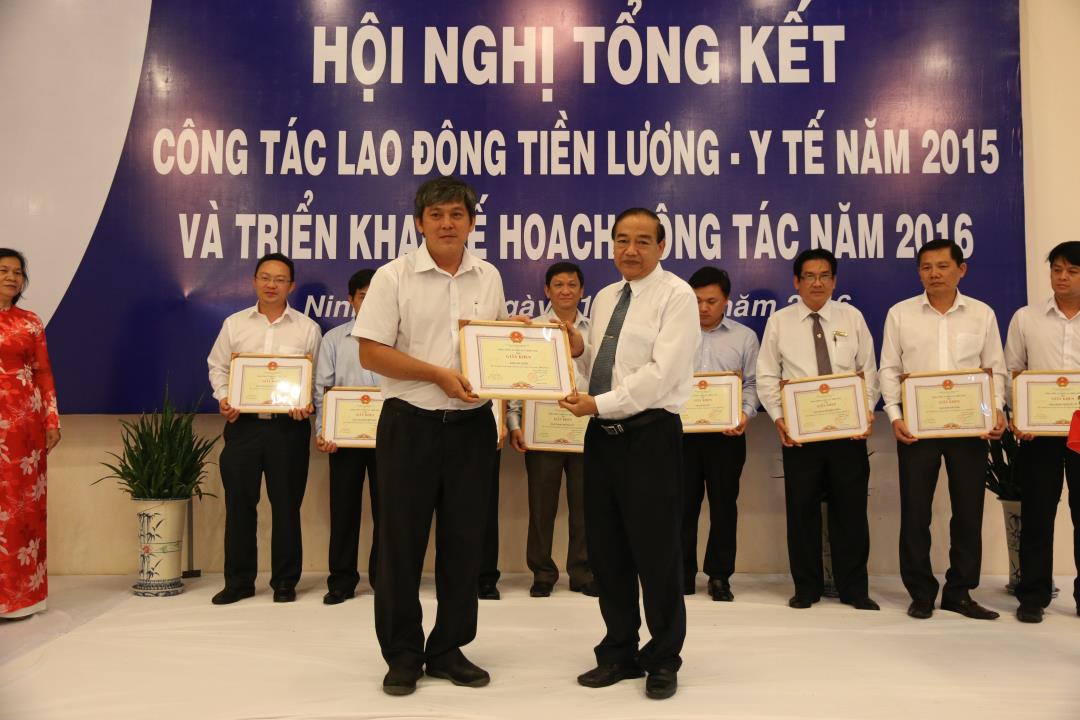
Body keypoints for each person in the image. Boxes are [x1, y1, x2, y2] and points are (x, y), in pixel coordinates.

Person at [354, 176, 528, 696]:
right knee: (399, 544)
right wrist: (436, 375)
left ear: (471, 222)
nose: (447, 223)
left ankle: (449, 647)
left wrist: (518, 342)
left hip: (472, 428)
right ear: (420, 223)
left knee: (465, 543)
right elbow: (371, 352)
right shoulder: (393, 277)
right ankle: (403, 653)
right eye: (436, 215)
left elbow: (492, 348)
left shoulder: (488, 276)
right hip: (410, 424)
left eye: (456, 214)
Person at [560, 208, 698, 700]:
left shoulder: (677, 296)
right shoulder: (604, 297)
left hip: (650, 436)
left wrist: (597, 404)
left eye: (642, 241)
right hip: (602, 438)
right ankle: (619, 650)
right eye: (621, 240)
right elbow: (603, 366)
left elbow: (661, 375)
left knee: (657, 553)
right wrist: (577, 351)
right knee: (608, 552)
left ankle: (663, 657)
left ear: (661, 247)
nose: (630, 250)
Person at [880, 239, 1007, 621]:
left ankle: (960, 592)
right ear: (919, 272)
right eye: (926, 267)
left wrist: (991, 413)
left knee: (968, 511)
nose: (934, 273)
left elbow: (994, 370)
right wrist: (896, 416)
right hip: (916, 429)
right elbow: (889, 369)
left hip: (969, 430)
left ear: (961, 269)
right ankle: (920, 593)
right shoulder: (900, 314)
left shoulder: (981, 314)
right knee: (915, 512)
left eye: (942, 266)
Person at [757, 248, 881, 612]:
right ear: (796, 282)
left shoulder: (851, 317)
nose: (817, 283)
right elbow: (767, 375)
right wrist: (779, 418)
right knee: (801, 511)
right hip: (800, 434)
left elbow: (868, 370)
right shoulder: (780, 322)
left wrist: (865, 412)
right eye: (809, 276)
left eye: (824, 275)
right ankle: (805, 588)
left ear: (834, 281)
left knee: (851, 511)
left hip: (848, 434)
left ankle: (854, 588)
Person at [207, 252, 320, 605]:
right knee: (240, 505)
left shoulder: (307, 329)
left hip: (289, 429)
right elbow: (217, 367)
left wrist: (307, 402)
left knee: (287, 506)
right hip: (243, 427)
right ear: (254, 281)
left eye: (280, 279)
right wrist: (225, 397)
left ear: (292, 286)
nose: (272, 285)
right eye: (266, 277)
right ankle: (239, 582)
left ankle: (285, 582)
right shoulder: (234, 324)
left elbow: (315, 378)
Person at [507, 262, 597, 598]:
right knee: (541, 505)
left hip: (585, 429)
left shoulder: (596, 330)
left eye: (572, 284)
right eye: (558, 284)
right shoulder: (532, 329)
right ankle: (542, 572)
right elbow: (518, 379)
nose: (565, 290)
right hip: (540, 429)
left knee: (585, 506)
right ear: (546, 290)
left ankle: (582, 571)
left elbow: (603, 375)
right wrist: (514, 422)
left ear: (582, 290)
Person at [1005, 241, 1080, 623]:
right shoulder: (1026, 318)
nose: (1062, 277)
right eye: (1056, 270)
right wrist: (1021, 415)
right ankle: (1033, 595)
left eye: (1072, 271)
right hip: (1039, 433)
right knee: (1037, 514)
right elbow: (1012, 371)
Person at [681, 266, 759, 601]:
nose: (703, 308)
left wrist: (744, 414)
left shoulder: (744, 337)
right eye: (696, 301)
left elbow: (753, 384)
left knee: (724, 506)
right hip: (681, 435)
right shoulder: (673, 334)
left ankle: (719, 576)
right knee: (681, 506)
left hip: (727, 435)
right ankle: (681, 574)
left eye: (711, 301)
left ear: (726, 300)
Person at [313, 268, 380, 605]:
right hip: (343, 440)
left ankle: (385, 579)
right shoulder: (334, 339)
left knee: (390, 512)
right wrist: (323, 430)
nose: (370, 302)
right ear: (351, 300)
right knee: (343, 511)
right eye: (363, 296)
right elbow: (322, 389)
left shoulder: (400, 338)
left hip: (389, 439)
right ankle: (341, 581)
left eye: (376, 296)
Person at [0, 248, 60, 620]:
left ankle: (21, 598)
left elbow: (43, 373)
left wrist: (52, 420)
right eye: (4, 270)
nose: (11, 277)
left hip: (23, 426)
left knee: (22, 510)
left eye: (17, 272)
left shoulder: (30, 322)